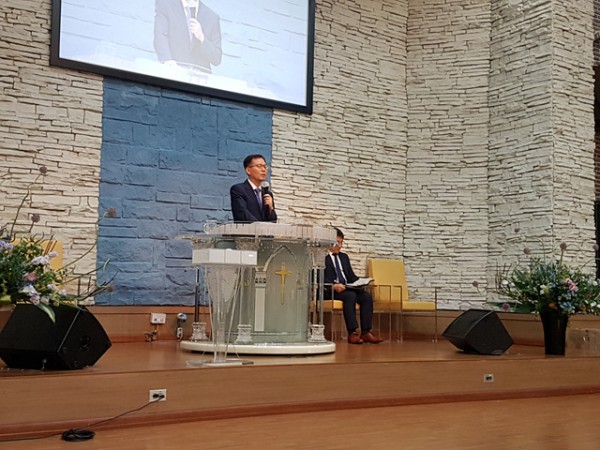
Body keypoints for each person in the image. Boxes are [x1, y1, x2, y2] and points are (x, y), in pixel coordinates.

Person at [324, 228, 383, 344]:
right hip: (331, 290)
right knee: (350, 296)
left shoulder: (344, 257)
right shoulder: (322, 257)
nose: (340, 246)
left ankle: (366, 332)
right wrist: (333, 286)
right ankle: (352, 332)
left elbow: (351, 277)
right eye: (337, 242)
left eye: (341, 242)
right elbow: (318, 277)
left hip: (347, 287)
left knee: (366, 296)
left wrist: (361, 281)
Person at [153, 0, 223, 74]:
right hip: (172, 73)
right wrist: (168, 61)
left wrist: (202, 38)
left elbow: (217, 59)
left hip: (199, 78)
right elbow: (160, 37)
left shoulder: (212, 17)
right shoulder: (166, 5)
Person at [230, 154, 277, 222]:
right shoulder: (238, 190)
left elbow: (273, 221)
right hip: (247, 229)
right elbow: (242, 214)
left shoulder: (267, 194)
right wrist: (260, 226)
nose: (263, 169)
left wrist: (270, 209)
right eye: (259, 166)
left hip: (264, 229)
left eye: (265, 166)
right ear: (248, 170)